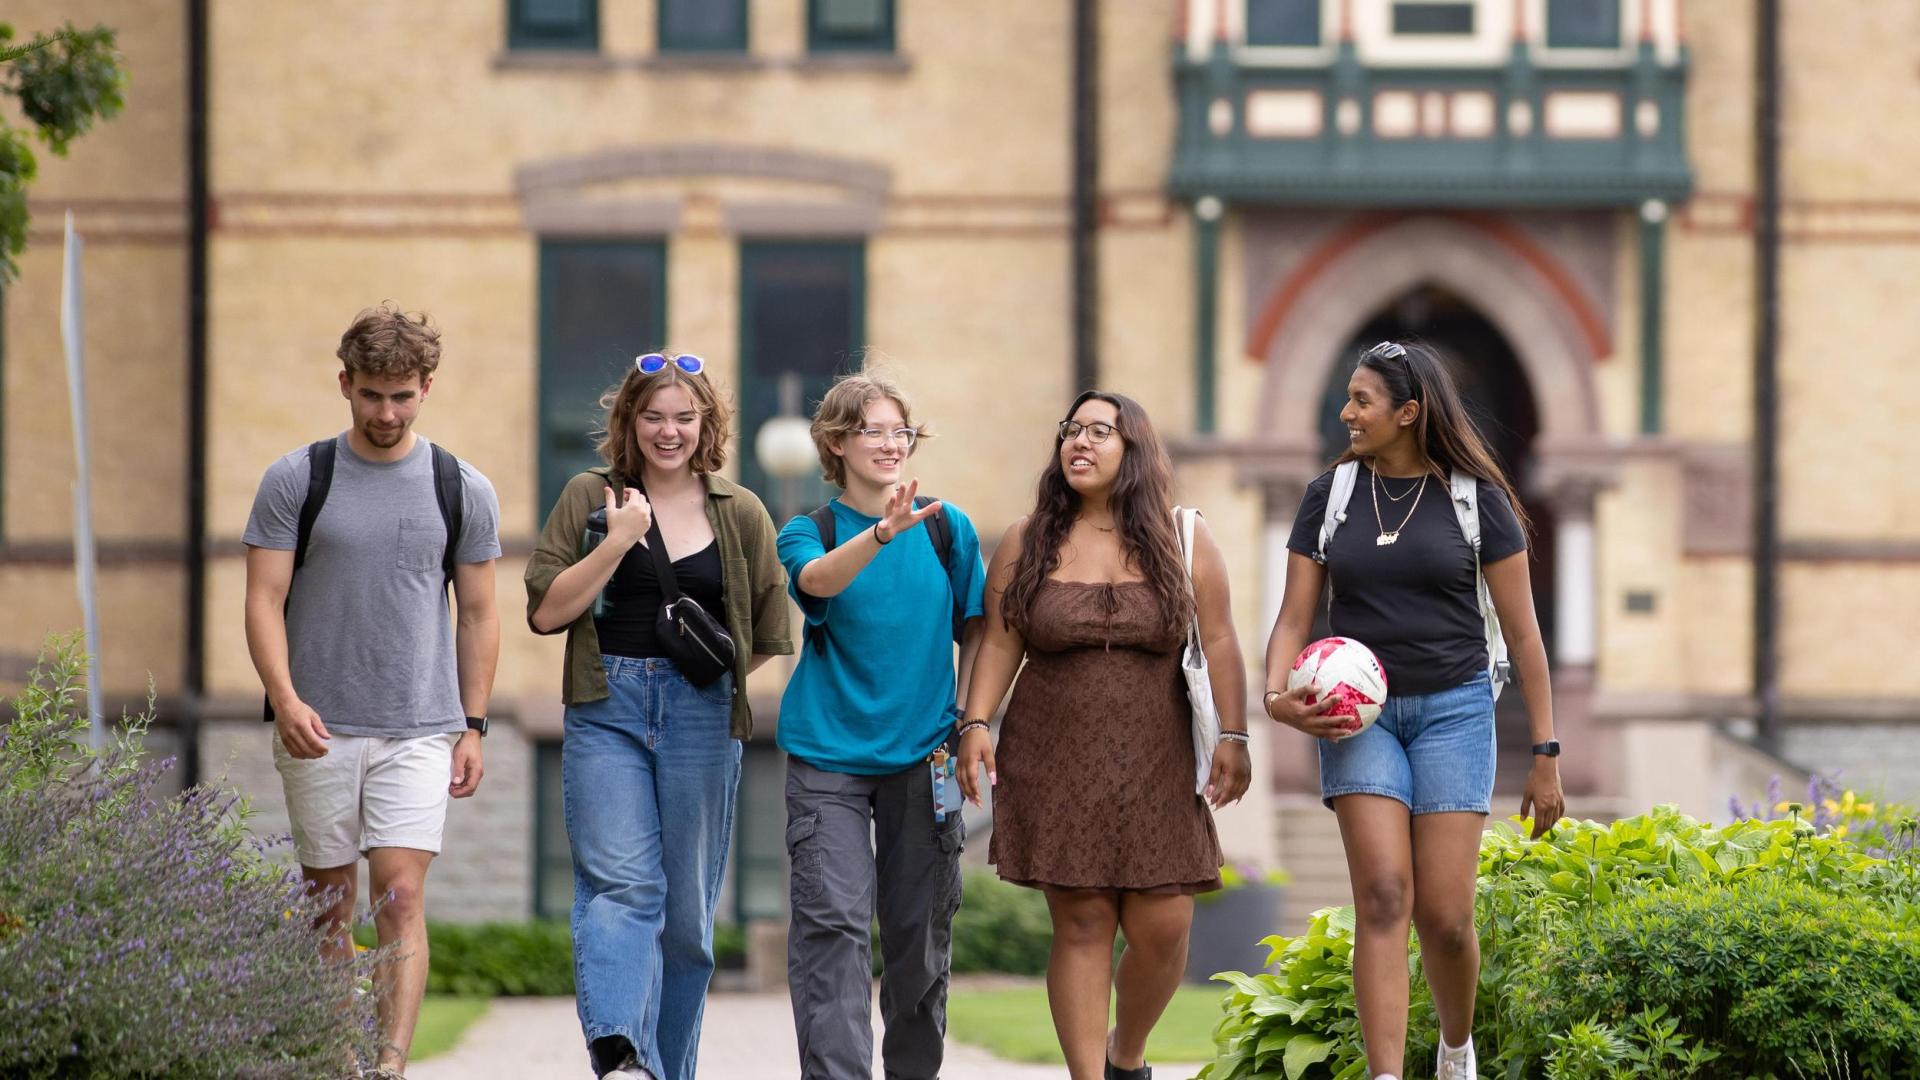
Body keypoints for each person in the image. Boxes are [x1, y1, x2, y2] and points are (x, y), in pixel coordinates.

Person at [1262, 340, 1566, 1080]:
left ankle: (1455, 1051)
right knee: (1385, 894)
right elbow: (1292, 618)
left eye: (1362, 400)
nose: (1347, 412)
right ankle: (1387, 1074)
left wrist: (1546, 753)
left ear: (1409, 411)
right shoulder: (1328, 496)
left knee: (1446, 918)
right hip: (1356, 720)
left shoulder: (1477, 501)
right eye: (1348, 397)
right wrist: (1278, 701)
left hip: (1456, 712)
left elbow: (1524, 633)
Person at [957, 390, 1251, 1080]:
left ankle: (1128, 1052)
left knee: (1165, 924)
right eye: (1071, 431)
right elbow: (1000, 643)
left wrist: (1235, 735)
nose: (1078, 443)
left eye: (1099, 431)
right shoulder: (1031, 538)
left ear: (1135, 451)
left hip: (1158, 756)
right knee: (1083, 922)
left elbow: (1224, 639)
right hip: (1053, 752)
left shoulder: (1185, 536)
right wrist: (975, 722)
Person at [243, 304, 502, 1079]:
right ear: (345, 385)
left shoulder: (461, 487)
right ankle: (339, 1061)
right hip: (318, 722)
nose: (386, 413)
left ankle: (389, 1065)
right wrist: (285, 699)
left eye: (402, 396)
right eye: (371, 396)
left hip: (421, 725)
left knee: (398, 894)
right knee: (328, 902)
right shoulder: (298, 478)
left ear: (427, 388)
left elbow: (482, 611)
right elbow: (262, 599)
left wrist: (475, 724)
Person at [525, 352, 792, 1080]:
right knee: (622, 886)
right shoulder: (589, 495)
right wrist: (616, 539)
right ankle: (620, 1054)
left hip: (701, 716)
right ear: (629, 421)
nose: (668, 431)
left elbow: (769, 636)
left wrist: (701, 681)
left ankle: (665, 1070)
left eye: (683, 417)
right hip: (606, 703)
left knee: (686, 925)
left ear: (706, 423)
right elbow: (546, 612)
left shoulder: (741, 511)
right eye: (653, 417)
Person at [777, 371, 987, 1080]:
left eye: (901, 431)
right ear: (837, 442)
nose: (892, 443)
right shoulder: (810, 531)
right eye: (874, 430)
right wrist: (880, 534)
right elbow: (817, 582)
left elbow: (980, 629)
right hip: (827, 758)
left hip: (926, 759)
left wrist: (973, 720)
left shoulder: (946, 528)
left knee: (920, 936)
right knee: (832, 928)